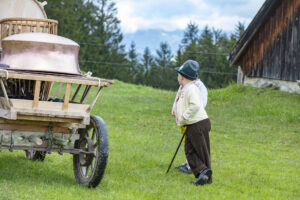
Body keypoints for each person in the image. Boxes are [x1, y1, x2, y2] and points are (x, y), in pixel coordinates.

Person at [173, 60, 212, 185]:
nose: (177, 76)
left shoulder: (192, 89)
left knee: (202, 151)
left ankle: (206, 178)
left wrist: (184, 116)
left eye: (178, 74)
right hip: (192, 125)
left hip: (198, 124)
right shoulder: (185, 88)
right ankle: (202, 172)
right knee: (189, 151)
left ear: (182, 76)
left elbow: (196, 105)